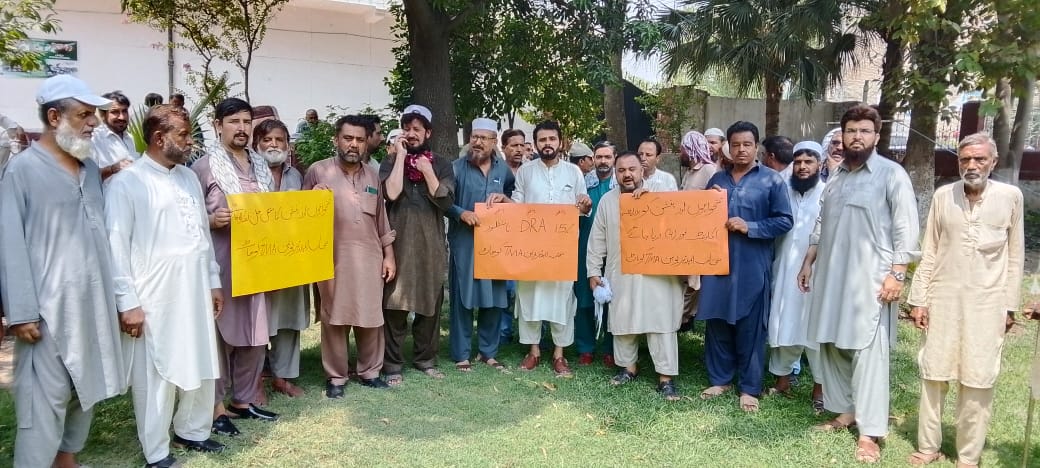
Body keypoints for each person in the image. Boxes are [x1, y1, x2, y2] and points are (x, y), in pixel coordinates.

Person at [0, 75, 126, 468]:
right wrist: (21, 312)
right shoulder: (22, 170)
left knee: (85, 388)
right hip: (47, 311)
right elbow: (9, 242)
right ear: (54, 117)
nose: (93, 123)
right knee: (43, 400)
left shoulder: (89, 168)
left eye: (94, 115)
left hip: (92, 304)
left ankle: (66, 460)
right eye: (84, 115)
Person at [105, 105, 226, 467]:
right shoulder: (127, 182)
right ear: (159, 138)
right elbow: (115, 246)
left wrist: (213, 281)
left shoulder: (188, 178)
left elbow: (202, 236)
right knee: (157, 371)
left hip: (195, 288)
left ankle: (193, 430)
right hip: (155, 295)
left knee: (200, 357)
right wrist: (127, 302)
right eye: (183, 135)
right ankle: (156, 451)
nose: (190, 142)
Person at [798, 105, 919, 464]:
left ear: (876, 136)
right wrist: (809, 261)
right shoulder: (835, 177)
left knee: (868, 352)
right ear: (843, 135)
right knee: (832, 344)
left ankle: (870, 431)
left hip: (872, 280)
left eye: (865, 131)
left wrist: (898, 273)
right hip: (832, 277)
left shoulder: (891, 174)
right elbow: (822, 223)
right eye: (851, 131)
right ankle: (845, 412)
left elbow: (906, 227)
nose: (857, 137)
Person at [905, 133, 1024, 467]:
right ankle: (928, 447)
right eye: (965, 159)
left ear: (993, 162)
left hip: (988, 302)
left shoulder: (1011, 197)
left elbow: (1016, 256)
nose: (971, 165)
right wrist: (919, 299)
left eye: (979, 159)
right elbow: (930, 250)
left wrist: (1009, 305)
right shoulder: (944, 196)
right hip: (942, 297)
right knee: (933, 372)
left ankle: (969, 456)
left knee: (978, 377)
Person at [192, 98, 279, 436]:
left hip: (257, 262)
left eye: (246, 122)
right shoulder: (204, 167)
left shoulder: (261, 166)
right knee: (219, 335)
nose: (242, 128)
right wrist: (211, 219)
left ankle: (244, 399)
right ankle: (215, 407)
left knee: (255, 332)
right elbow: (187, 217)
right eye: (234, 122)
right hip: (221, 264)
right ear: (218, 125)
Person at [697, 121, 792, 413]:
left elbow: (784, 220)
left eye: (747, 144)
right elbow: (699, 219)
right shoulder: (718, 179)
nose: (741, 150)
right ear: (728, 146)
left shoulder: (772, 181)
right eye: (735, 144)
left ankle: (750, 387)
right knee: (717, 321)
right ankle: (720, 379)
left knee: (751, 326)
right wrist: (707, 201)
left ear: (756, 147)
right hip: (717, 264)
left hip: (752, 264)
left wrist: (750, 226)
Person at [486, 120, 592, 377]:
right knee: (530, 298)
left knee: (562, 299)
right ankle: (533, 351)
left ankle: (559, 354)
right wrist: (504, 200)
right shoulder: (525, 171)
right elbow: (518, 206)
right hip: (531, 248)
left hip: (562, 248)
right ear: (535, 144)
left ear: (560, 142)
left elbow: (583, 207)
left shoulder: (573, 172)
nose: (547, 144)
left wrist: (585, 205)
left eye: (552, 139)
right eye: (542, 140)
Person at [305, 115, 397, 397]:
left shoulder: (372, 175)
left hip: (370, 257)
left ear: (366, 143)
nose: (353, 144)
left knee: (371, 314)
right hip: (333, 257)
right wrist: (312, 198)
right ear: (336, 140)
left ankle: (370, 372)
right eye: (348, 138)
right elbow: (299, 216)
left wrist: (389, 255)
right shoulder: (318, 171)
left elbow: (381, 219)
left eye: (359, 139)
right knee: (335, 316)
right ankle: (336, 377)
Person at [587, 152, 684, 400]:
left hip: (657, 276)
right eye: (621, 170)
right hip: (621, 272)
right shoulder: (607, 201)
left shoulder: (660, 196)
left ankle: (665, 378)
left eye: (632, 169)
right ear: (616, 174)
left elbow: (680, 228)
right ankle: (628, 368)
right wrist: (593, 271)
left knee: (660, 322)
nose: (627, 175)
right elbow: (597, 240)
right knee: (623, 320)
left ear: (642, 171)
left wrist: (651, 203)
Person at [380, 104, 455, 385]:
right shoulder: (390, 161)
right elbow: (391, 193)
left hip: (430, 246)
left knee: (429, 305)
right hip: (397, 246)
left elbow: (445, 201)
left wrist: (427, 170)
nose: (411, 134)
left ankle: (425, 359)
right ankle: (392, 364)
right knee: (394, 306)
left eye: (417, 129)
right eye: (407, 128)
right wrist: (400, 157)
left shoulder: (442, 164)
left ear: (428, 133)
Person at [447, 118, 515, 373]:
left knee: (495, 298)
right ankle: (461, 354)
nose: (477, 142)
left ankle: (489, 352)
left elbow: (514, 197)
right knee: (463, 299)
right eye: (474, 137)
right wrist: (460, 213)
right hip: (464, 243)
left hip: (495, 246)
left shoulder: (503, 170)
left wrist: (505, 199)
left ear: (494, 142)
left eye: (483, 138)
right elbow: (443, 201)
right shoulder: (456, 168)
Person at [251, 119, 310, 399]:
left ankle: (282, 378)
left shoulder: (296, 175)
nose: (273, 145)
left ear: (288, 145)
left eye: (279, 140)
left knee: (288, 318)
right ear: (256, 145)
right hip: (256, 260)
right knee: (257, 319)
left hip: (290, 262)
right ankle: (254, 381)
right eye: (267, 140)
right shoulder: (246, 174)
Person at [766, 141, 826, 411]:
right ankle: (782, 381)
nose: (802, 167)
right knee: (783, 323)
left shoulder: (828, 193)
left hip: (816, 273)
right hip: (783, 269)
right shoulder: (782, 192)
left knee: (814, 330)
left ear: (819, 164)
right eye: (798, 162)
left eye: (808, 162)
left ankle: (820, 389)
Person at [574, 142, 617, 367]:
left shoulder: (620, 185)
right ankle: (586, 348)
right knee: (584, 296)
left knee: (613, 296)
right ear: (593, 158)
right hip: (585, 245)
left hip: (614, 248)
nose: (603, 161)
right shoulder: (583, 184)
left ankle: (611, 348)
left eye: (607, 157)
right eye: (599, 157)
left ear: (614, 158)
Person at [92, 90, 140, 181]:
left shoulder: (129, 138)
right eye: (115, 112)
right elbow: (88, 178)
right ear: (103, 114)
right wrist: (112, 169)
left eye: (124, 111)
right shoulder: (95, 139)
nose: (122, 117)